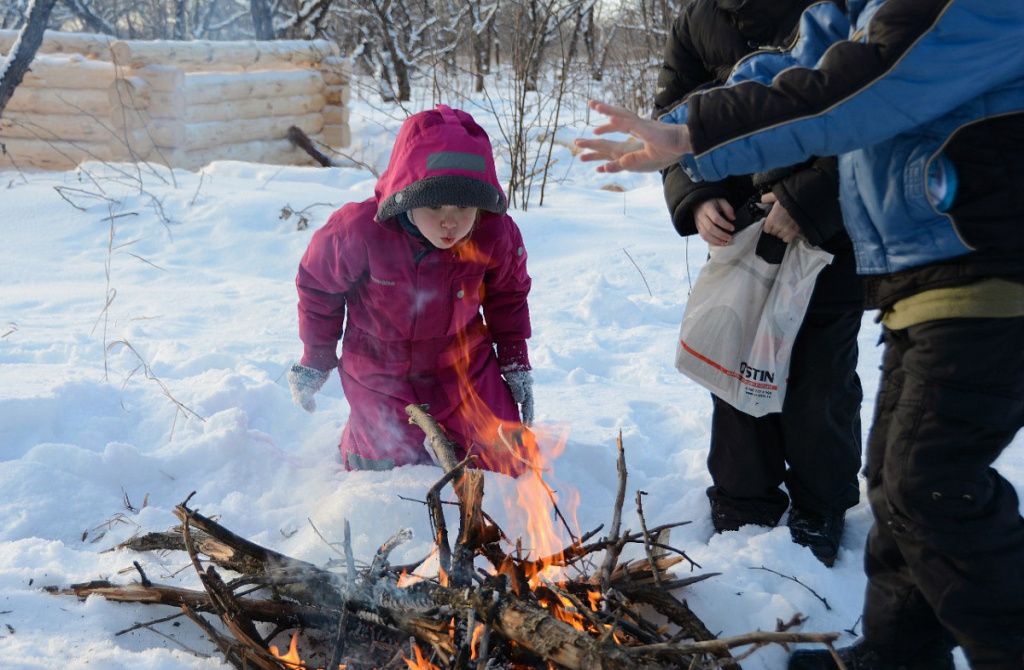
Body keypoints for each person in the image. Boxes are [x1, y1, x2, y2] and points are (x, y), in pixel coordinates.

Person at [576, 0, 1024, 668]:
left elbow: (861, 83)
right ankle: (895, 656)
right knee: (901, 484)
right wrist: (681, 136)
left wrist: (698, 131)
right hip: (924, 262)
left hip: (986, 252)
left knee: (928, 480)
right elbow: (801, 62)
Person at [654, 0, 864, 566]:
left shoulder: (837, 7)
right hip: (746, 231)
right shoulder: (698, 20)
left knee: (821, 381)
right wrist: (696, 196)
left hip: (830, 233)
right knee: (737, 366)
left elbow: (869, 115)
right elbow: (672, 117)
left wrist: (809, 200)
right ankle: (744, 504)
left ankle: (821, 506)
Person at [288, 105, 534, 474]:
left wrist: (515, 361)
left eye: (464, 206)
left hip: (462, 364)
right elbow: (318, 287)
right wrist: (317, 356)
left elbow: (509, 295)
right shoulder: (359, 230)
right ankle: (366, 439)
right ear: (407, 195)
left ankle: (457, 434)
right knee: (381, 467)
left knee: (507, 461)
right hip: (379, 368)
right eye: (434, 204)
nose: (449, 221)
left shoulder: (493, 234)